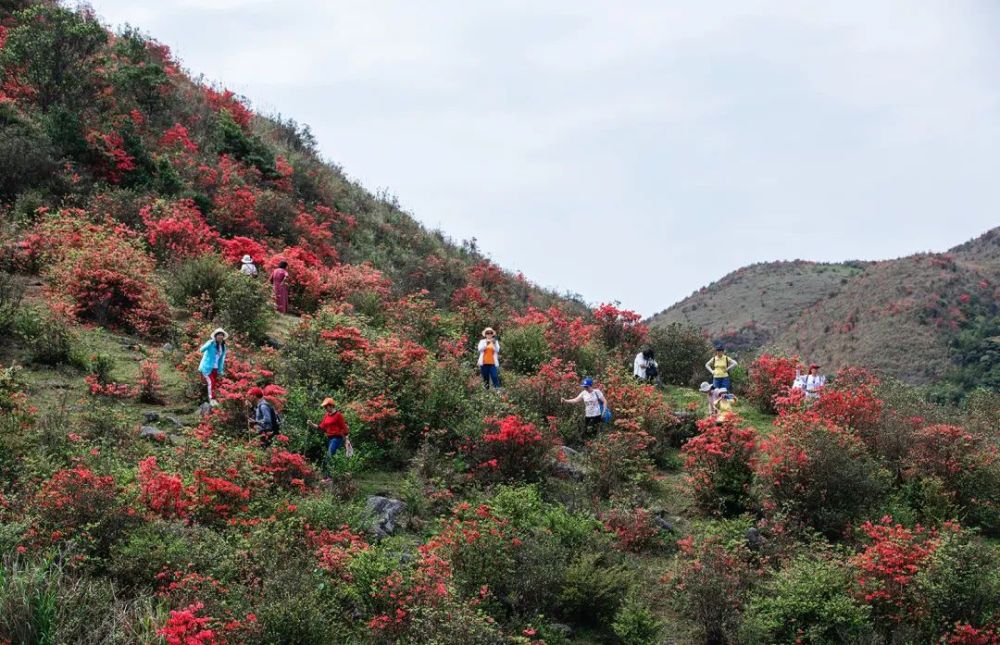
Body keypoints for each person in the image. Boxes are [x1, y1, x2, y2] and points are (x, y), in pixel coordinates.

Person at [308, 397, 350, 473]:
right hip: (330, 439)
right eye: (324, 407)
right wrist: (311, 424)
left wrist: (346, 439)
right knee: (332, 456)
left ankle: (329, 477)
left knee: (329, 456)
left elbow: (344, 427)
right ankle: (337, 474)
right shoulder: (326, 415)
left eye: (326, 407)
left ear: (331, 406)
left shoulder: (338, 415)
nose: (325, 409)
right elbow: (321, 427)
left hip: (337, 438)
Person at [198, 328, 228, 405]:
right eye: (218, 335)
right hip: (206, 368)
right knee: (211, 382)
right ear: (215, 336)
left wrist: (220, 370)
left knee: (214, 383)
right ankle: (212, 399)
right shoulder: (211, 343)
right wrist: (209, 343)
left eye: (221, 335)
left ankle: (213, 398)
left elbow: (221, 359)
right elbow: (201, 350)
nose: (220, 336)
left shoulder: (223, 346)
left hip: (215, 368)